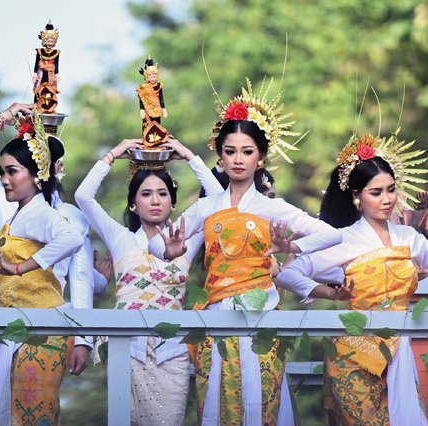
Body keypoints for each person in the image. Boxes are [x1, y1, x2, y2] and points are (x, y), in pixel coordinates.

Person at [149, 80, 342, 425]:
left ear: (261, 157)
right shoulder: (207, 207)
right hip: (216, 311)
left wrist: (293, 246)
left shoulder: (273, 207)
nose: (238, 159)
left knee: (261, 398)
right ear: (220, 156)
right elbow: (157, 242)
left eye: (247, 151)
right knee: (217, 400)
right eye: (230, 150)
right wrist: (169, 249)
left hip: (263, 312)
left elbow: (331, 235)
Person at [0, 104, 96, 425]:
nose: (4, 178)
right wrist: (1, 119)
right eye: (3, 171)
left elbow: (81, 277)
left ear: (47, 168)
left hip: (42, 324)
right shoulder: (4, 203)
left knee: (31, 415)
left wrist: (84, 339)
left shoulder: (66, 215)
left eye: (13, 170)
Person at [276, 131, 428, 424]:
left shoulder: (410, 239)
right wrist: (330, 293)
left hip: (402, 352)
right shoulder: (342, 239)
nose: (387, 199)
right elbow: (288, 275)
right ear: (357, 196)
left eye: (391, 189)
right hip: (356, 355)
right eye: (376, 192)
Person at [75, 137, 223, 424]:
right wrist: (115, 152)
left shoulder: (185, 238)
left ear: (173, 201)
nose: (155, 201)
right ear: (133, 204)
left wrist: (187, 154)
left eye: (162, 193)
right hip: (126, 348)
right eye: (145, 194)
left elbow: (218, 200)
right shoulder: (121, 239)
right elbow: (83, 197)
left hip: (173, 352)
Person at [136, 57, 170, 148]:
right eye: (151, 76)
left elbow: (161, 98)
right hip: (147, 111)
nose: (153, 78)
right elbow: (142, 100)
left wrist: (164, 109)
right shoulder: (144, 88)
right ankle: (147, 141)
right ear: (147, 76)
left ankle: (157, 141)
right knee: (147, 125)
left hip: (157, 110)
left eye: (154, 76)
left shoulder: (159, 86)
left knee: (157, 123)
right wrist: (141, 110)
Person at [33, 20, 60, 113]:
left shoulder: (56, 53)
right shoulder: (40, 51)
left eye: (51, 41)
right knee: (39, 89)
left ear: (54, 42)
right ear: (44, 41)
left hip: (50, 75)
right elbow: (36, 63)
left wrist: (57, 74)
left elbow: (56, 64)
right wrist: (35, 73)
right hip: (42, 74)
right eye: (48, 41)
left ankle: (47, 107)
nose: (50, 43)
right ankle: (38, 105)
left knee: (49, 91)